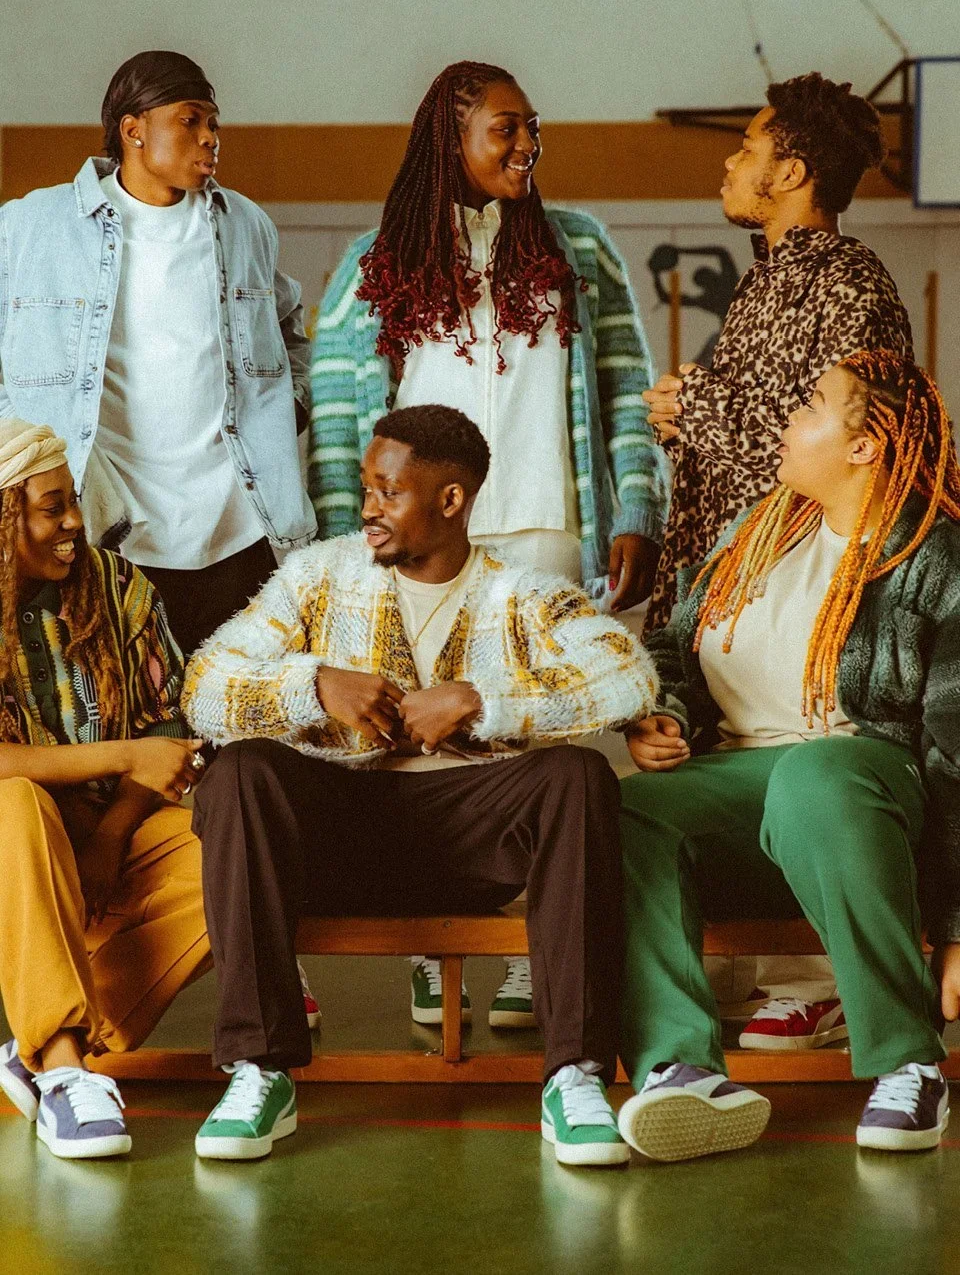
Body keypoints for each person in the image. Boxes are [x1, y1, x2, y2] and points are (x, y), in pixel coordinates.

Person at [184, 404, 658, 1166]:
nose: (368, 508)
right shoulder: (317, 577)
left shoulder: (521, 594)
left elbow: (626, 671)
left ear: (451, 499)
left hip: (469, 835)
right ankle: (258, 1070)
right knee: (239, 773)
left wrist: (480, 701)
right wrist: (316, 685)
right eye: (366, 488)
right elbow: (205, 683)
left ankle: (575, 1073)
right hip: (338, 831)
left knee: (578, 776)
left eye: (389, 491)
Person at [309, 60, 668, 1024]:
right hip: (424, 547)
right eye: (503, 129)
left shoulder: (578, 246)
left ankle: (525, 951)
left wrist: (637, 506)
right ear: (450, 138)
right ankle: (435, 941)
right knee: (426, 743)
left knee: (537, 743)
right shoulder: (374, 261)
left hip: (549, 532)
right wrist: (362, 536)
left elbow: (631, 385)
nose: (525, 145)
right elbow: (343, 415)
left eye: (531, 127)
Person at [616, 351, 960, 1161]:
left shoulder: (933, 559)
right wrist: (660, 714)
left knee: (815, 774)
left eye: (810, 408)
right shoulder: (759, 531)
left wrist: (956, 925)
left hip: (869, 788)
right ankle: (680, 1067)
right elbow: (671, 647)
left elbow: (956, 758)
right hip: (740, 787)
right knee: (621, 806)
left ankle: (907, 1063)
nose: (786, 423)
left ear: (865, 445)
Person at [642, 72, 914, 1034]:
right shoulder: (771, 280)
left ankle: (822, 986)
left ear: (790, 168)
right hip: (732, 585)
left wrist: (699, 408)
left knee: (808, 761)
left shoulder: (850, 281)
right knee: (702, 776)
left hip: (809, 592)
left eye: (747, 148)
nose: (731, 160)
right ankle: (722, 982)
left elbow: (837, 447)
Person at [0, 50, 315, 658]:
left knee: (239, 715)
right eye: (191, 121)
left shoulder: (244, 223)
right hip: (107, 528)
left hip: (241, 524)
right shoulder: (34, 225)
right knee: (122, 723)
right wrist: (16, 440)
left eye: (214, 125)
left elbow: (287, 327)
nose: (210, 138)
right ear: (133, 128)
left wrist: (288, 408)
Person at [0, 418, 209, 1159]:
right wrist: (116, 757)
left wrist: (114, 834)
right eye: (51, 508)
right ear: (5, 518)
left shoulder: (117, 587)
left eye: (74, 502)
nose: (73, 523)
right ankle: (59, 1062)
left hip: (107, 833)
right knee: (14, 806)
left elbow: (169, 725)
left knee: (236, 856)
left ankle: (47, 1045)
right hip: (14, 846)